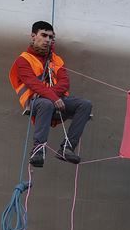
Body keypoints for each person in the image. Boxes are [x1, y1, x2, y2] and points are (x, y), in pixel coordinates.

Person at [8, 21, 93, 167]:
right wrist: (52, 98)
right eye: (44, 35)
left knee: (85, 105)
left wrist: (52, 97)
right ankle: (38, 150)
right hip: (35, 102)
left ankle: (67, 148)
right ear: (33, 36)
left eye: (50, 37)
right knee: (46, 103)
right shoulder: (23, 60)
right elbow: (32, 83)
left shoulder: (56, 60)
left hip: (54, 101)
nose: (47, 40)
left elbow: (64, 83)